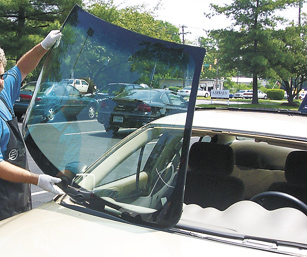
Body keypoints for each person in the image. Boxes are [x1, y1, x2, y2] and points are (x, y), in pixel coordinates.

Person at [0, 30, 63, 220]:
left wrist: (44, 46)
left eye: (1, 75)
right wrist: (36, 179)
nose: (1, 83)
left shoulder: (3, 93)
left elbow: (21, 68)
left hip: (17, 195)